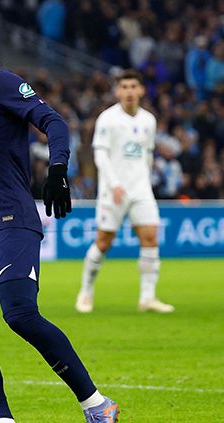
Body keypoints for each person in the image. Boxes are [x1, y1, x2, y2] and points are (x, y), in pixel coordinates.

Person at [0, 16, 118, 423]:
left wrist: (57, 168)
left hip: (8, 222)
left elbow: (53, 121)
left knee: (19, 314)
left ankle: (97, 404)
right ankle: (2, 420)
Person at [76, 69, 173, 314]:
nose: (129, 91)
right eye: (124, 87)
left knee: (150, 238)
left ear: (141, 90)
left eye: (133, 87)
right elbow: (100, 154)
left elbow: (147, 154)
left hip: (141, 189)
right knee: (103, 241)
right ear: (118, 91)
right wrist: (114, 184)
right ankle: (86, 292)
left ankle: (147, 298)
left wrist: (145, 181)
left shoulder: (148, 120)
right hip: (114, 190)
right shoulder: (108, 119)